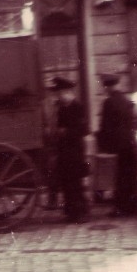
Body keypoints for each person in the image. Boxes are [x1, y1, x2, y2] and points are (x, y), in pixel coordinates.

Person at [97, 73, 137, 216]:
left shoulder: (108, 102)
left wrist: (102, 145)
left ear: (107, 87)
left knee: (119, 177)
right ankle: (131, 206)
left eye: (105, 87)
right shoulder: (127, 101)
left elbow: (106, 127)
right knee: (128, 175)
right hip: (130, 143)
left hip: (117, 146)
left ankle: (121, 208)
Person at [50, 76, 89, 224]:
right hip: (64, 151)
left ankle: (80, 213)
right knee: (66, 182)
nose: (59, 96)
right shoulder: (61, 108)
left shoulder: (77, 107)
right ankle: (71, 212)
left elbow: (83, 129)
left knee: (75, 183)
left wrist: (65, 132)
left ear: (68, 92)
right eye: (58, 94)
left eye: (61, 93)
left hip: (75, 151)